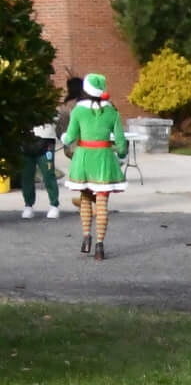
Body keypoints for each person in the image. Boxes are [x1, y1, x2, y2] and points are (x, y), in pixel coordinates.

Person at [62, 73, 127, 260]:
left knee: (84, 198)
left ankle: (85, 236)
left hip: (83, 158)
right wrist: (121, 154)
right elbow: (121, 143)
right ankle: (99, 245)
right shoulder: (112, 112)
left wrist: (63, 138)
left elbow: (70, 136)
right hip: (104, 159)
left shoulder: (78, 111)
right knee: (102, 203)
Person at [18, 121, 61, 220]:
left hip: (46, 139)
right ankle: (28, 205)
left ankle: (54, 205)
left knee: (48, 174)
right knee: (26, 175)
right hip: (25, 137)